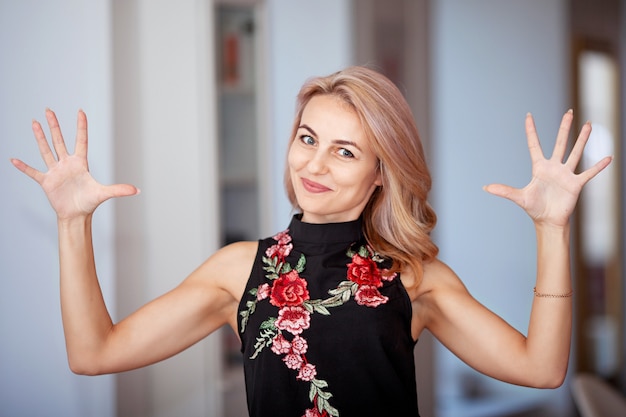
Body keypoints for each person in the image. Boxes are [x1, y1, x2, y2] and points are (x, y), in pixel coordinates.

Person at [11, 66, 611, 417]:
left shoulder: (412, 276)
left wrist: (552, 230)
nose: (314, 164)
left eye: (344, 150)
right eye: (307, 137)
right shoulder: (238, 270)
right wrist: (72, 223)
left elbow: (541, 369)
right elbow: (93, 354)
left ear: (382, 172)